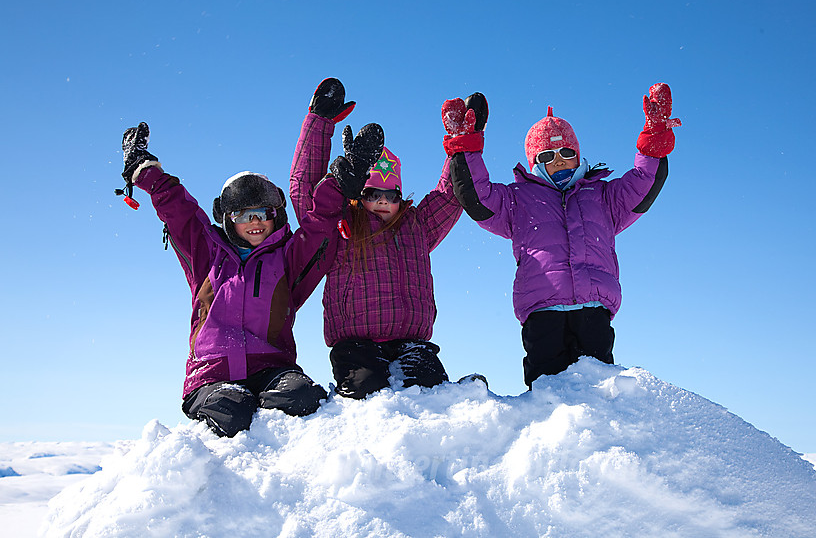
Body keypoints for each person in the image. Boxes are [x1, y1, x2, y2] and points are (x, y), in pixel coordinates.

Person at [447, 83, 681, 389]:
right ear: (533, 162)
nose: (558, 160)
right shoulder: (518, 200)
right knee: (547, 391)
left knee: (600, 388)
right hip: (543, 311)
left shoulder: (602, 196)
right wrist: (466, 147)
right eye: (546, 156)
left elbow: (642, 183)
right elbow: (478, 197)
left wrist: (654, 138)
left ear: (578, 154)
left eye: (566, 152)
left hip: (593, 311)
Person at [120, 121, 337, 437]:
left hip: (271, 370)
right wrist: (145, 172)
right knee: (232, 409)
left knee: (302, 397)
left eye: (261, 213)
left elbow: (319, 231)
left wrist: (339, 184)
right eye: (242, 215)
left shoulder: (287, 257)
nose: (253, 222)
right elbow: (179, 211)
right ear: (227, 218)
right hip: (211, 374)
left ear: (275, 215)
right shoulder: (206, 253)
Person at [289, 78, 485, 399]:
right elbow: (304, 188)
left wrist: (460, 145)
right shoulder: (342, 225)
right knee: (368, 392)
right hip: (355, 344)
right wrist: (319, 123)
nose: (382, 201)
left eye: (390, 194)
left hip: (412, 342)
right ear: (358, 193)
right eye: (373, 193)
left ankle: (456, 402)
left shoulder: (416, 226)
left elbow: (450, 195)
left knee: (430, 390)